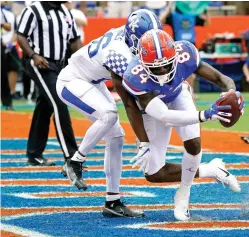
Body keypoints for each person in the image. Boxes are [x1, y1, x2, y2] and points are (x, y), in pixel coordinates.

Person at [122, 29, 245, 221]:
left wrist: (232, 95)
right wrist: (204, 115)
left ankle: (183, 194)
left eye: (166, 65)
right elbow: (164, 116)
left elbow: (223, 79)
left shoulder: (185, 53)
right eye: (156, 68)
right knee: (154, 174)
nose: (162, 71)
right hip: (153, 111)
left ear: (175, 57)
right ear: (143, 64)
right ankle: (211, 170)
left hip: (178, 95)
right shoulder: (134, 75)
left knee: (194, 144)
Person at [57, 9, 162, 217]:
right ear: (134, 38)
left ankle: (112, 202)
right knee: (109, 114)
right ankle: (75, 161)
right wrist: (144, 142)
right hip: (71, 81)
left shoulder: (128, 38)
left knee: (116, 138)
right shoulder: (118, 54)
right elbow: (129, 102)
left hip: (92, 81)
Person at [17, 1, 82, 166]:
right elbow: (21, 35)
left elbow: (75, 40)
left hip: (59, 65)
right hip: (40, 63)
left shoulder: (66, 13)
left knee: (44, 106)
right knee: (59, 103)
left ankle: (34, 153)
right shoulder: (33, 10)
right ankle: (71, 156)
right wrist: (33, 55)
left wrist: (81, 63)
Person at [1, 5, 14, 110]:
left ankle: (7, 102)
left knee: (2, 74)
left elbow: (9, 28)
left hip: (1, 44)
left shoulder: (4, 13)